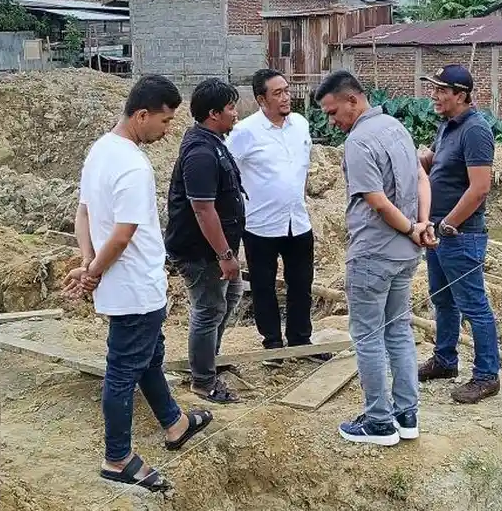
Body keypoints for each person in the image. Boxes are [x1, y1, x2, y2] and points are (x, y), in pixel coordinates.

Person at [61, 74, 213, 493]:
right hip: (135, 287)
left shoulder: (99, 150)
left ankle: (175, 424)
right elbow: (124, 233)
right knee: (123, 369)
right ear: (142, 115)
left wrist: (89, 261)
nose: (167, 132)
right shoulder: (132, 164)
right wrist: (92, 271)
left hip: (123, 282)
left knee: (148, 357)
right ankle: (117, 458)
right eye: (164, 122)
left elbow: (84, 214)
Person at [314, 70, 436, 446]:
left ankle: (379, 422)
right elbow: (421, 178)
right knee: (398, 330)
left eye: (334, 112)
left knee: (368, 336)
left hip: (375, 253)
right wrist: (421, 224)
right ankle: (407, 414)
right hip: (405, 254)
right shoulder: (396, 127)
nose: (332, 122)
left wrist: (410, 227)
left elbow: (378, 201)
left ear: (353, 100)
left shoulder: (359, 140)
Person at [226, 69, 331, 367]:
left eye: (286, 91)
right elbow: (228, 170)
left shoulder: (300, 125)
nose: (286, 97)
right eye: (278, 93)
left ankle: (300, 341)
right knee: (263, 286)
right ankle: (272, 344)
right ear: (261, 99)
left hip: (297, 221)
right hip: (260, 225)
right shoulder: (245, 131)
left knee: (301, 284)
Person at [416, 63, 502, 404]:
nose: (434, 96)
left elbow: (480, 188)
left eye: (440, 91)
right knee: (443, 300)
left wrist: (450, 223)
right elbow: (448, 165)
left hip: (459, 234)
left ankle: (486, 375)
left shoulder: (476, 131)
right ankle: (445, 360)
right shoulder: (448, 126)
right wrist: (428, 161)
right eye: (434, 89)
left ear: (461, 96)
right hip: (439, 232)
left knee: (474, 306)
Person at [165, 77, 246, 404]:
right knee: (209, 307)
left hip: (214, 248)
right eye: (230, 107)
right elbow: (202, 209)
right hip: (201, 250)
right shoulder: (200, 151)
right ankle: (203, 381)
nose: (236, 113)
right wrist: (225, 254)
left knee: (230, 295)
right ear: (214, 113)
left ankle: (207, 361)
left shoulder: (212, 141)